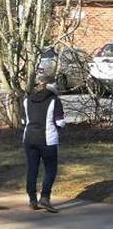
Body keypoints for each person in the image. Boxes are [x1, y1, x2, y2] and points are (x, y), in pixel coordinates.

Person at [22, 73, 67, 213]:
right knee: (50, 169)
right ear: (51, 85)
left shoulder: (27, 100)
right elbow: (59, 122)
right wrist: (60, 127)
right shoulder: (54, 100)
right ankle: (45, 198)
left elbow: (24, 121)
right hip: (47, 140)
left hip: (29, 138)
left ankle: (32, 199)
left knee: (32, 168)